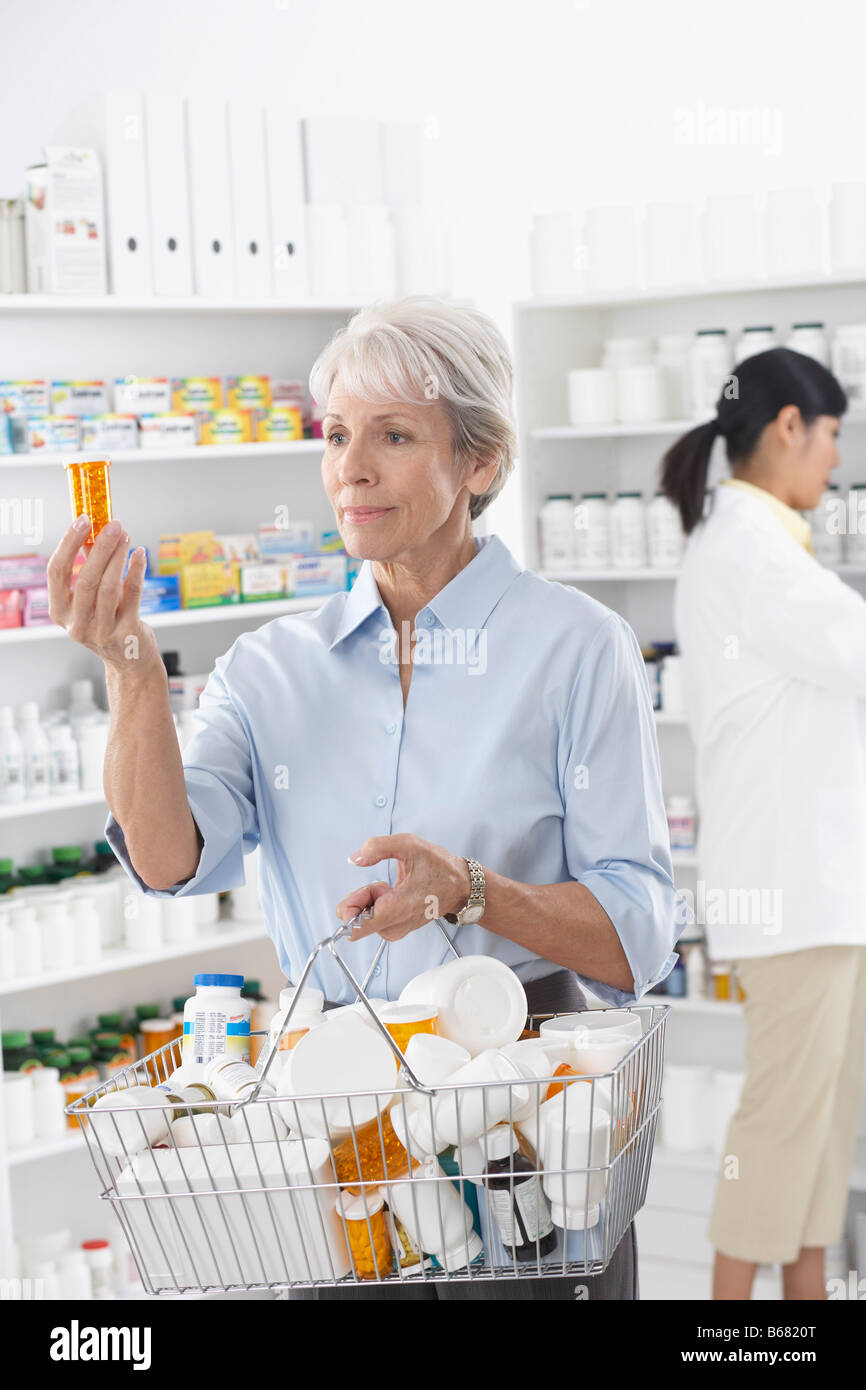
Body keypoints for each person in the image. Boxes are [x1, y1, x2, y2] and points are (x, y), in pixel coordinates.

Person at [48, 296, 679, 1300]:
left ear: (476, 462)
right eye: (338, 434)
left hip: (523, 1121)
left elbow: (638, 932)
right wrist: (130, 668)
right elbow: (170, 858)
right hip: (336, 1133)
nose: (350, 465)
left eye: (392, 435)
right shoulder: (266, 671)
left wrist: (471, 891)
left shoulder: (573, 648)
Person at [662, 346, 866, 1301]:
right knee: (784, 1122)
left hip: (821, 891)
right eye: (831, 437)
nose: (835, 459)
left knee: (824, 1125)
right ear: (788, 425)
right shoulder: (749, 549)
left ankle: (807, 1310)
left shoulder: (762, 541)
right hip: (794, 894)